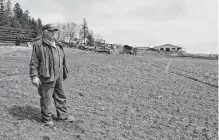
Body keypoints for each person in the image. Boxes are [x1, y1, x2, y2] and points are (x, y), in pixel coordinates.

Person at [29, 24, 74, 127]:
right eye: (51, 31)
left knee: (61, 96)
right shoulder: (38, 45)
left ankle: (62, 115)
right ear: (45, 32)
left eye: (55, 31)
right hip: (46, 76)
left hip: (58, 75)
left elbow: (62, 60)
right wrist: (34, 77)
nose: (54, 33)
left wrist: (64, 71)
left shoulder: (58, 44)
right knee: (46, 98)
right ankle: (47, 119)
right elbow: (34, 62)